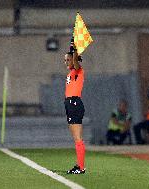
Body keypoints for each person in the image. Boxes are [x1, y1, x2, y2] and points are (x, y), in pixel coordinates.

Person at [64, 40, 86, 174]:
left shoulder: (78, 70)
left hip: (74, 103)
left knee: (77, 138)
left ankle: (81, 167)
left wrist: (75, 50)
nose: (66, 62)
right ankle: (80, 165)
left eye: (68, 59)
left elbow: (77, 62)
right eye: (65, 60)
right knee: (76, 138)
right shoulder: (71, 73)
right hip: (70, 104)